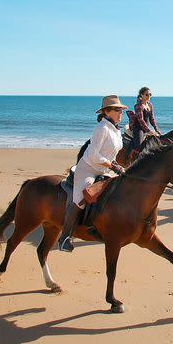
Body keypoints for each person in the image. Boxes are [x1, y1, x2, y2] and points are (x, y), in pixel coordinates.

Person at [58, 95, 128, 252]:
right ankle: (64, 238)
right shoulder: (101, 128)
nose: (121, 113)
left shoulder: (116, 130)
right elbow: (93, 155)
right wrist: (113, 166)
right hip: (88, 168)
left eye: (121, 110)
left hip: (105, 168)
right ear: (107, 111)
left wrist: (115, 165)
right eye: (117, 110)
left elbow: (111, 154)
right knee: (81, 199)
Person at [127, 86, 161, 158]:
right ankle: (130, 157)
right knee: (139, 145)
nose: (149, 96)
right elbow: (141, 120)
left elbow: (152, 118)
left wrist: (156, 129)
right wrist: (149, 131)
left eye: (150, 94)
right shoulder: (138, 106)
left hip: (145, 127)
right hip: (138, 128)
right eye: (146, 94)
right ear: (141, 95)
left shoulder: (150, 105)